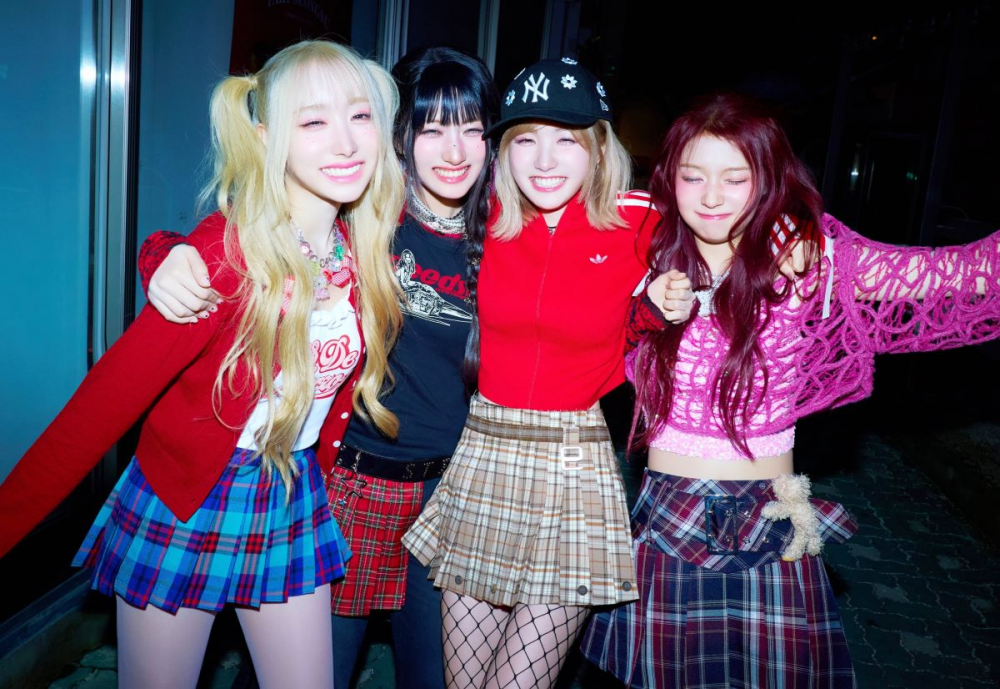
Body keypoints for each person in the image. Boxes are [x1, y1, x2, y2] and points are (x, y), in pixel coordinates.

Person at [0, 39, 405, 689]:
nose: (347, 142)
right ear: (267, 137)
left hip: (291, 489)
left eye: (360, 116)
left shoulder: (362, 242)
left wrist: (159, 249)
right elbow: (97, 410)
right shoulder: (226, 253)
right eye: (313, 121)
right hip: (190, 498)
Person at [578, 93, 1000, 688]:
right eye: (694, 176)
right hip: (667, 514)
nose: (712, 196)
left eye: (735, 178)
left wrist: (799, 235)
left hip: (767, 517)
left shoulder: (808, 260)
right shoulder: (643, 252)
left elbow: (946, 276)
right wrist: (643, 309)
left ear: (768, 180)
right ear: (670, 178)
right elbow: (578, 328)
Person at [138, 46, 499, 689]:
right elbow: (244, 238)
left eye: (472, 130)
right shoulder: (368, 219)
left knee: (431, 677)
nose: (454, 150)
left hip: (444, 494)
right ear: (400, 136)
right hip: (347, 484)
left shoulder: (504, 241)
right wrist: (162, 256)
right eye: (432, 129)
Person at [401, 58, 694, 689]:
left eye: (567, 140)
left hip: (572, 470)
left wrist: (795, 235)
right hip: (483, 460)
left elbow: (735, 219)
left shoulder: (641, 221)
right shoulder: (485, 219)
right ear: (504, 150)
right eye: (526, 139)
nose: (544, 161)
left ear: (599, 148)